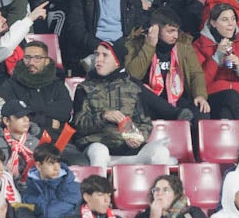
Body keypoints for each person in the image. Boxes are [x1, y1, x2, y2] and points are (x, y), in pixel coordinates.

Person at [71, 39, 172, 168]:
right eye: (97, 54)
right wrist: (103, 116)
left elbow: (145, 123)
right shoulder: (84, 88)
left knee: (160, 152)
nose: (98, 60)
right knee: (100, 151)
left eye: (105, 55)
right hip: (97, 146)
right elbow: (79, 125)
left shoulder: (133, 87)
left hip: (128, 150)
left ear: (117, 62)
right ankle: (98, 187)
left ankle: (158, 188)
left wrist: (137, 138)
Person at [124, 10, 209, 121]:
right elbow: (133, 76)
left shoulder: (183, 44)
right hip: (150, 102)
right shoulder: (136, 44)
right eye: (170, 31)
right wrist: (149, 45)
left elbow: (196, 73)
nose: (176, 36)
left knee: (201, 112)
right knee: (134, 84)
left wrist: (200, 95)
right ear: (156, 30)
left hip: (178, 98)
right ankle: (172, 113)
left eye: (177, 31)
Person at [193, 3, 239, 118]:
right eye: (225, 20)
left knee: (225, 114)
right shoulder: (200, 45)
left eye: (233, 19)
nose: (231, 24)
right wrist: (216, 57)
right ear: (213, 23)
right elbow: (200, 83)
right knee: (230, 96)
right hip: (214, 97)